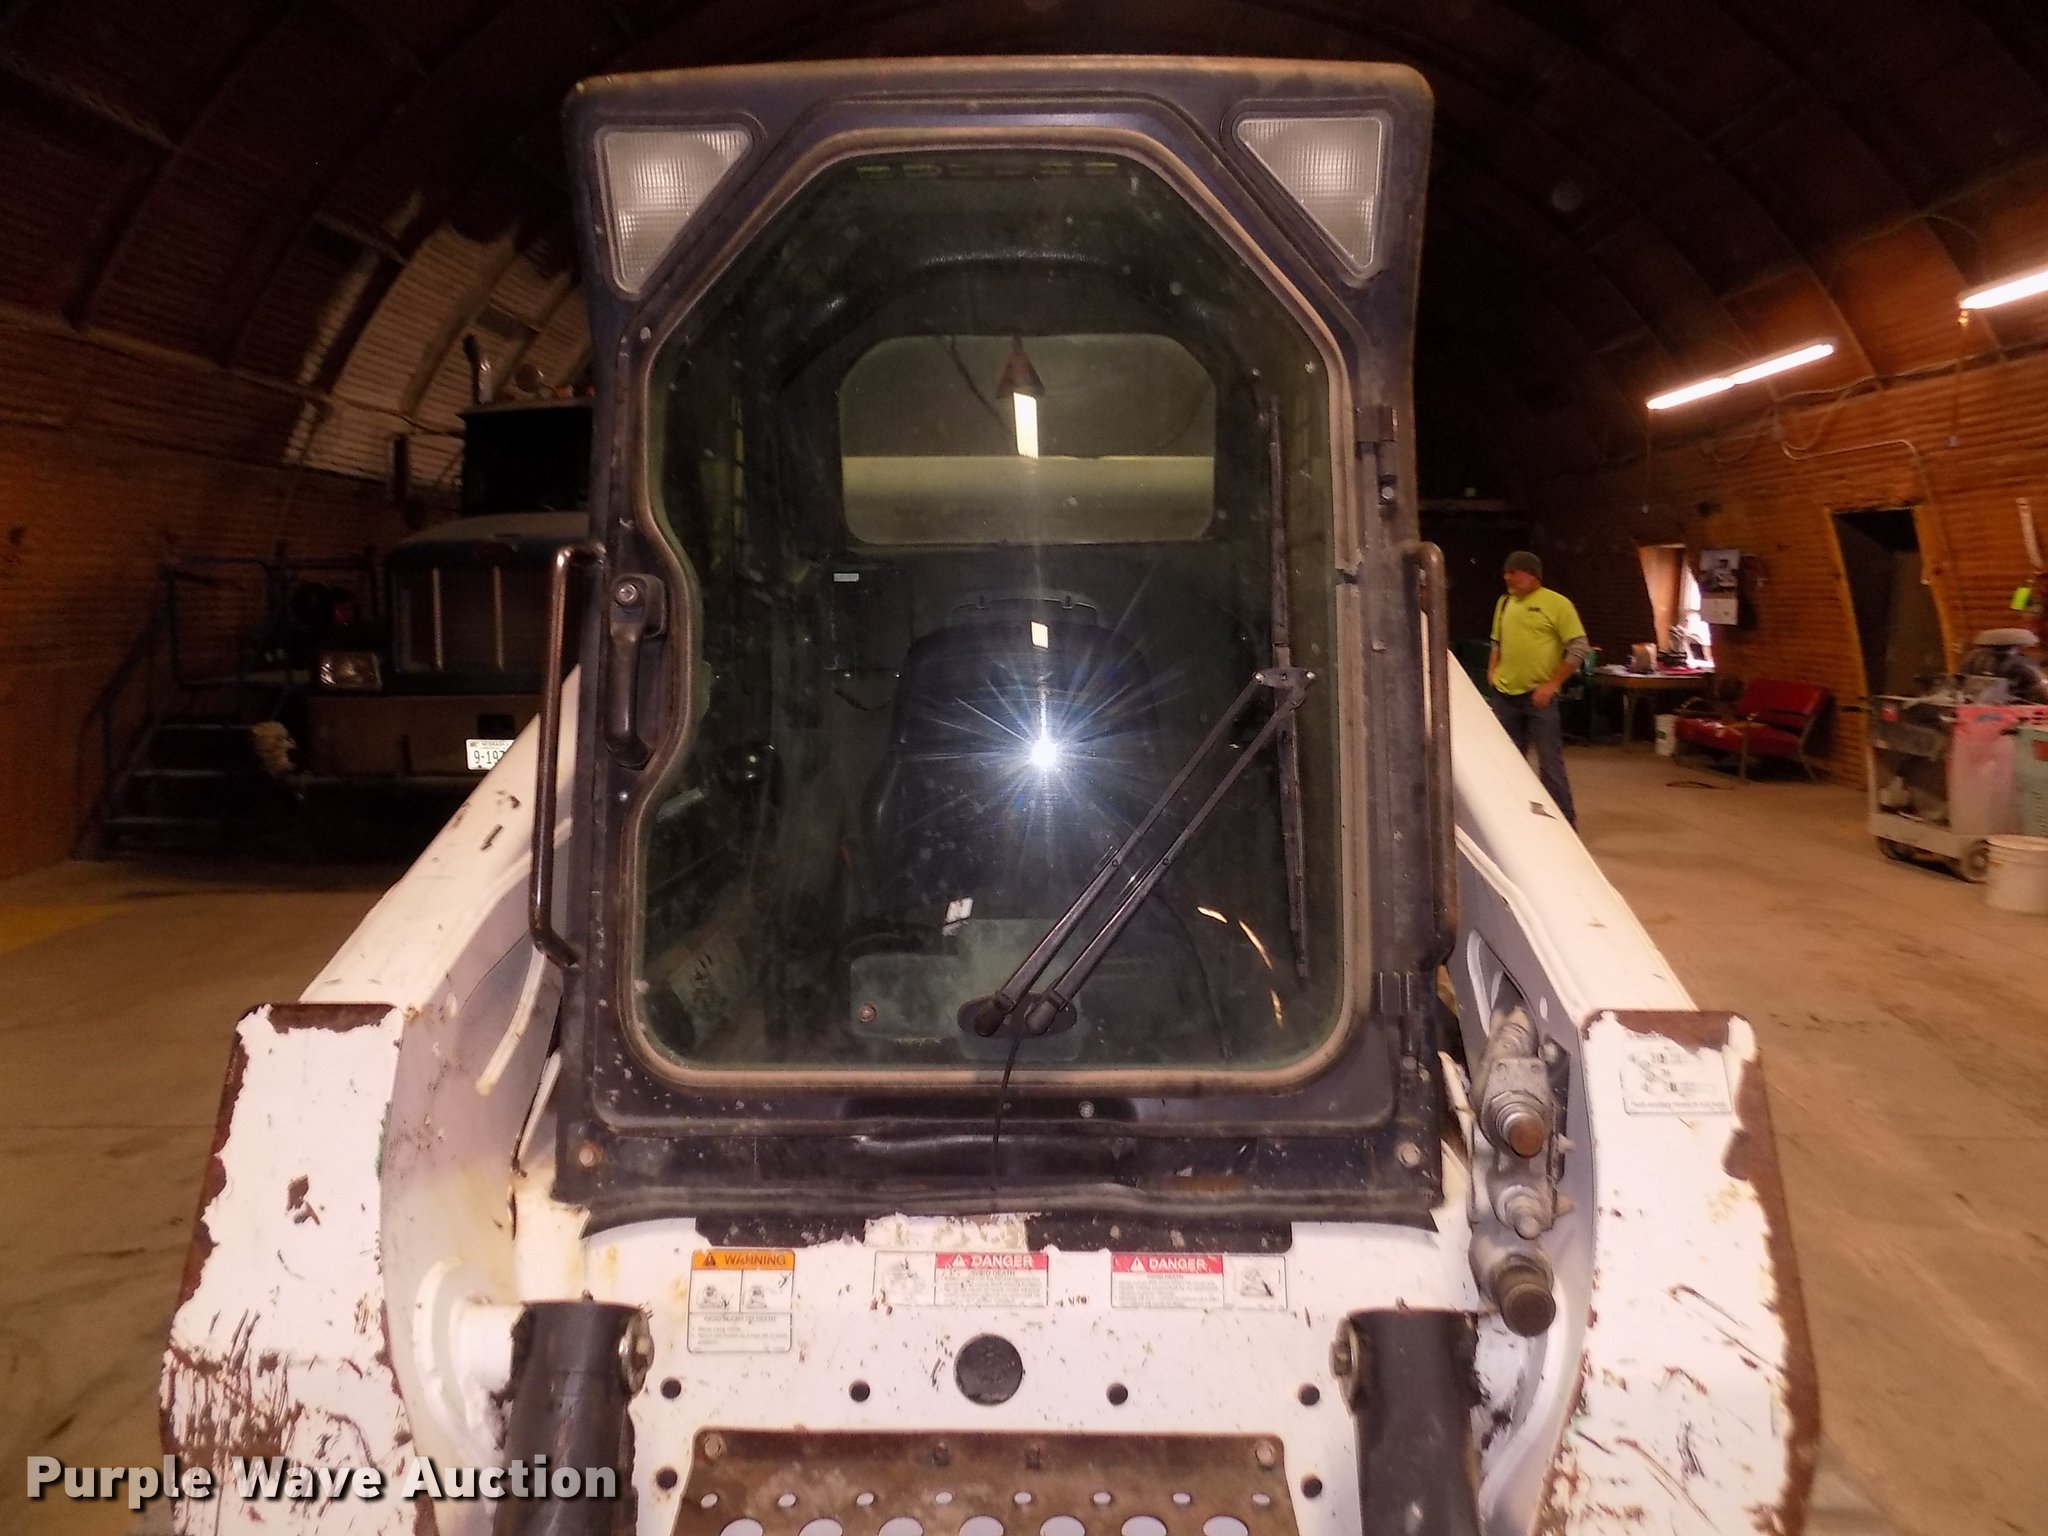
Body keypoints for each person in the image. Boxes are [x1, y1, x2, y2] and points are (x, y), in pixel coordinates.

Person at [1488, 550, 1589, 826]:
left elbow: (1579, 647)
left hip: (1538, 696)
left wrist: (1552, 684)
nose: (1507, 577)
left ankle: (1564, 824)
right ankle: (1513, 819)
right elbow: (1497, 640)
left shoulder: (1557, 604)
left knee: (1550, 763)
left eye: (1513, 572)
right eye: (1505, 572)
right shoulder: (1504, 603)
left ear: (1531, 574)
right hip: (1505, 695)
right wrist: (1492, 670)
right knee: (1508, 761)